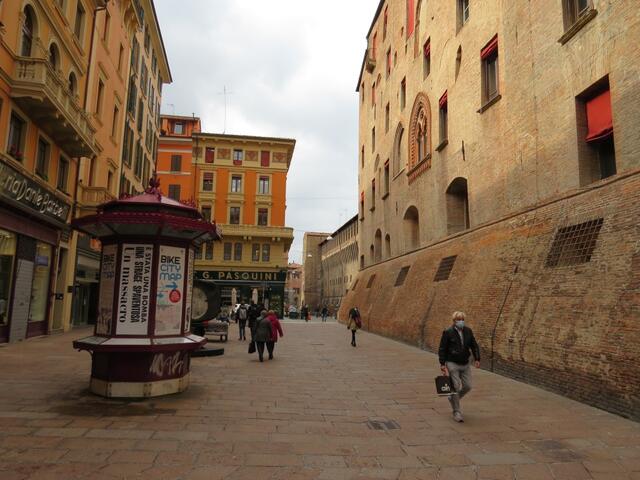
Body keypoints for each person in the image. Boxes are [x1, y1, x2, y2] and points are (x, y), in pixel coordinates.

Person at [438, 311, 481, 423]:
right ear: (454, 321)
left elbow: (474, 345)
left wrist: (477, 358)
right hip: (452, 362)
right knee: (455, 386)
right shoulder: (448, 332)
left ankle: (453, 398)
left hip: (465, 362)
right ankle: (456, 412)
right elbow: (442, 349)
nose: (461, 321)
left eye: (462, 319)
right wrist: (442, 364)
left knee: (468, 386)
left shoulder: (468, 331)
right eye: (458, 320)